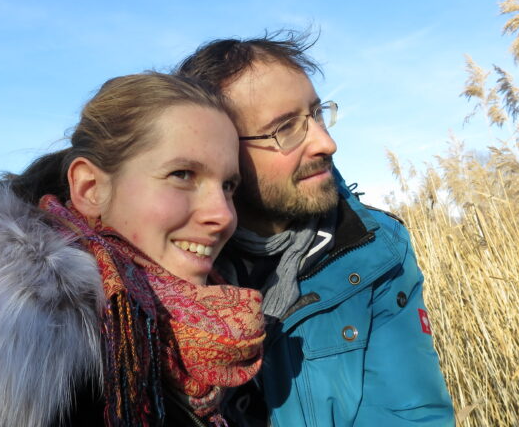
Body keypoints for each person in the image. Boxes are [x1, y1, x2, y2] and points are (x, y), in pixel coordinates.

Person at [0, 72, 265, 427]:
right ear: (90, 189)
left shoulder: (209, 334)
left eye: (228, 185)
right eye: (182, 174)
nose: (223, 215)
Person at [175, 32, 455, 426]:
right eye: (285, 129)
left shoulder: (375, 250)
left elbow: (407, 413)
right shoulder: (158, 266)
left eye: (317, 113)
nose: (327, 142)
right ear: (219, 150)